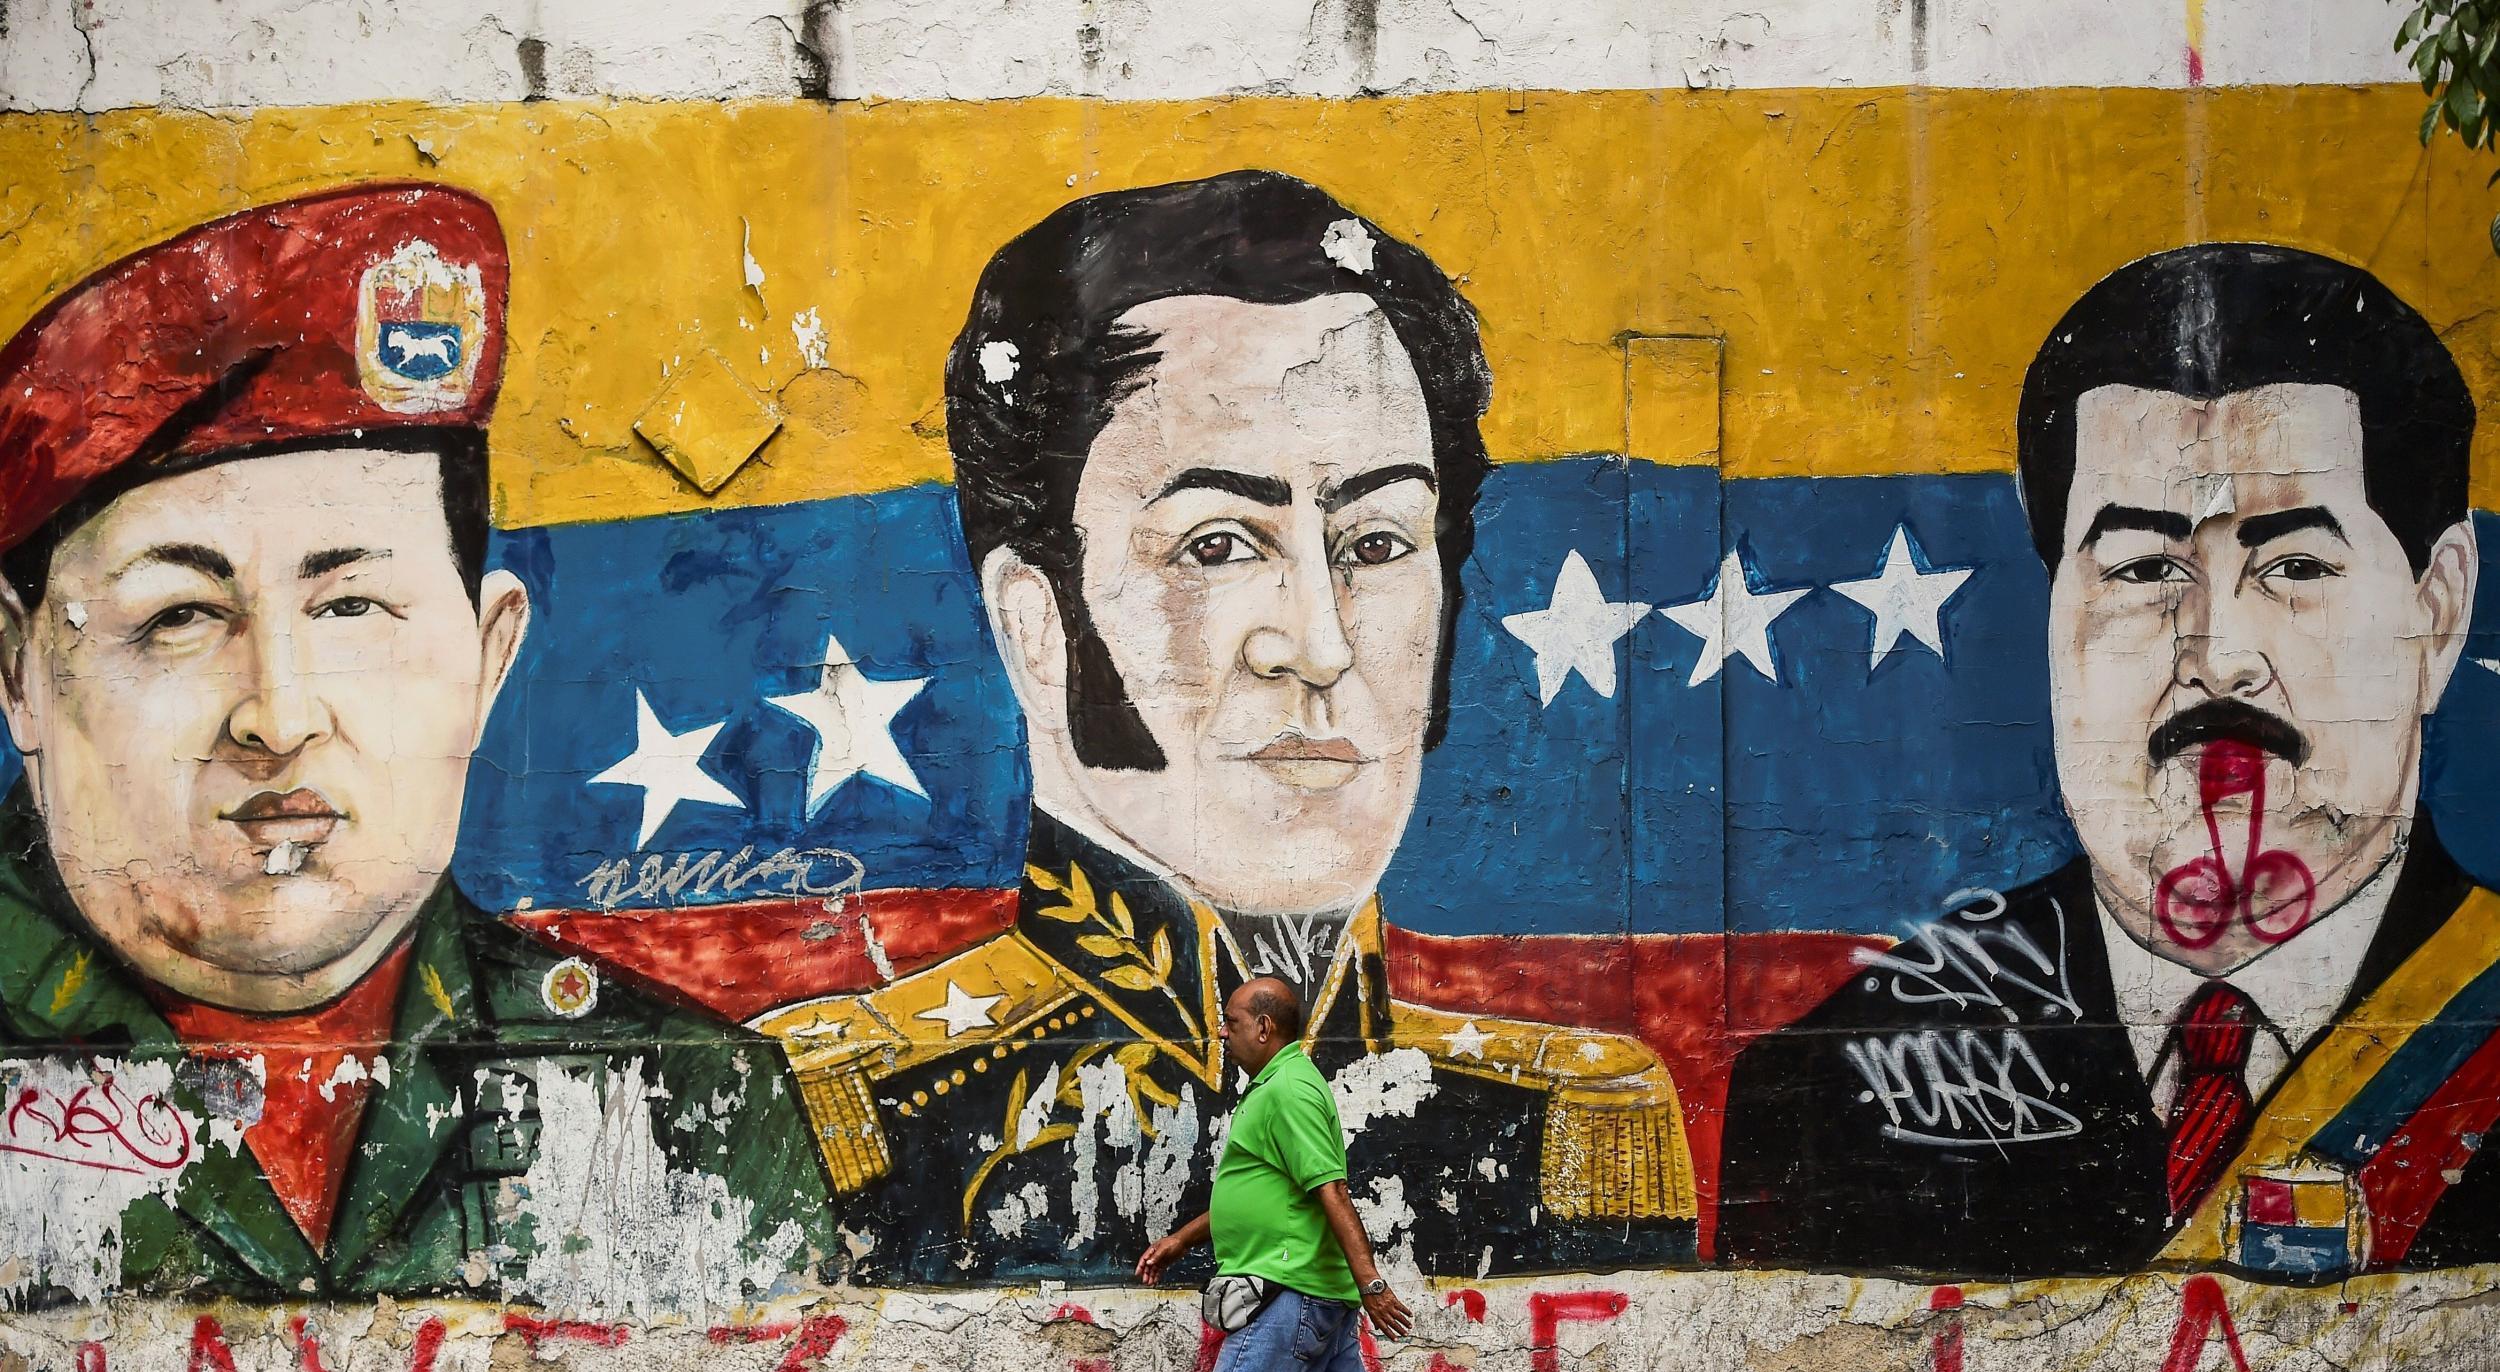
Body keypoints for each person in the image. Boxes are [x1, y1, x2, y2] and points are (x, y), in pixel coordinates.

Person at [757, 170, 1696, 1286]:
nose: (1319, 643)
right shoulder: (862, 1115)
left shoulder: (1564, 1121)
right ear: (1034, 620)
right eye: (1217, 544)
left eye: (1381, 542)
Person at [0, 185, 837, 1305]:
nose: (278, 715)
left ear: (488, 657)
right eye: (180, 617)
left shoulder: (682, 1101)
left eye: (351, 608)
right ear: (20, 676)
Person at [1717, 244, 2500, 1279]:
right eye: (2143, 568)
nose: (2217, 657)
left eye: (2294, 566)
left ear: (2434, 611)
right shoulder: (1829, 1096)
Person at [1091, 977, 1421, 1372]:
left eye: (1233, 1021)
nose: (1223, 1029)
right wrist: (1185, 1239)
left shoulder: (1290, 1090)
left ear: (1265, 1028)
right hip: (1311, 1293)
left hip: (1289, 1293)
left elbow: (1331, 1189)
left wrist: (1372, 1286)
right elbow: (1263, 1188)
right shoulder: (1276, 1088)